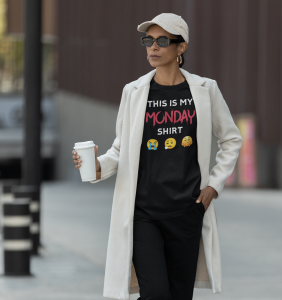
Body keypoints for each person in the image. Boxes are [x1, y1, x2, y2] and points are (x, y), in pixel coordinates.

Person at [72, 13, 242, 300]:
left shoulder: (204, 90)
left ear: (181, 47)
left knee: (178, 295)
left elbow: (231, 139)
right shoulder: (135, 92)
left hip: (187, 210)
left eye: (162, 40)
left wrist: (214, 185)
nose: (153, 47)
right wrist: (98, 167)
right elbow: (120, 149)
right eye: (148, 41)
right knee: (155, 294)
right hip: (143, 212)